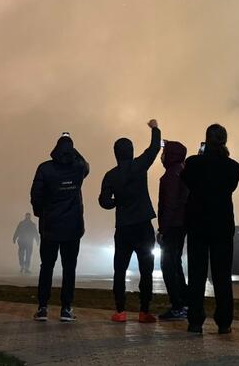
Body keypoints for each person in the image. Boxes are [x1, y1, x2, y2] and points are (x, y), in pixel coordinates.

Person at [98, 119, 162, 323]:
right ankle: (144, 311)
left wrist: (116, 202)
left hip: (124, 227)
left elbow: (104, 202)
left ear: (115, 153)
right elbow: (153, 149)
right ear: (132, 151)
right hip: (143, 225)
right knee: (146, 269)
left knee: (120, 269)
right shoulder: (139, 166)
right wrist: (154, 128)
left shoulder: (110, 176)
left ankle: (120, 311)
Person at [182, 124, 239, 335]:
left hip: (198, 224)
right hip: (222, 226)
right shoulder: (234, 167)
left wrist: (199, 157)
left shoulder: (193, 163)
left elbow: (186, 181)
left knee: (197, 275)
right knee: (222, 276)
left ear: (206, 139)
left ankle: (195, 321)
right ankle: (224, 321)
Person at [30, 133, 90, 322]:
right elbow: (86, 165)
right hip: (72, 228)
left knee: (46, 267)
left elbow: (36, 196)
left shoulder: (44, 168)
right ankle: (65, 308)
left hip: (50, 226)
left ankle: (42, 307)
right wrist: (71, 146)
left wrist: (42, 213)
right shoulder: (78, 168)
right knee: (69, 268)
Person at [156, 139, 190, 321]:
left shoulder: (171, 175)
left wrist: (162, 229)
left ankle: (177, 305)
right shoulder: (184, 171)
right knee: (176, 263)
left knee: (168, 266)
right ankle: (184, 301)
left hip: (173, 226)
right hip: (181, 225)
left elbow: (169, 204)